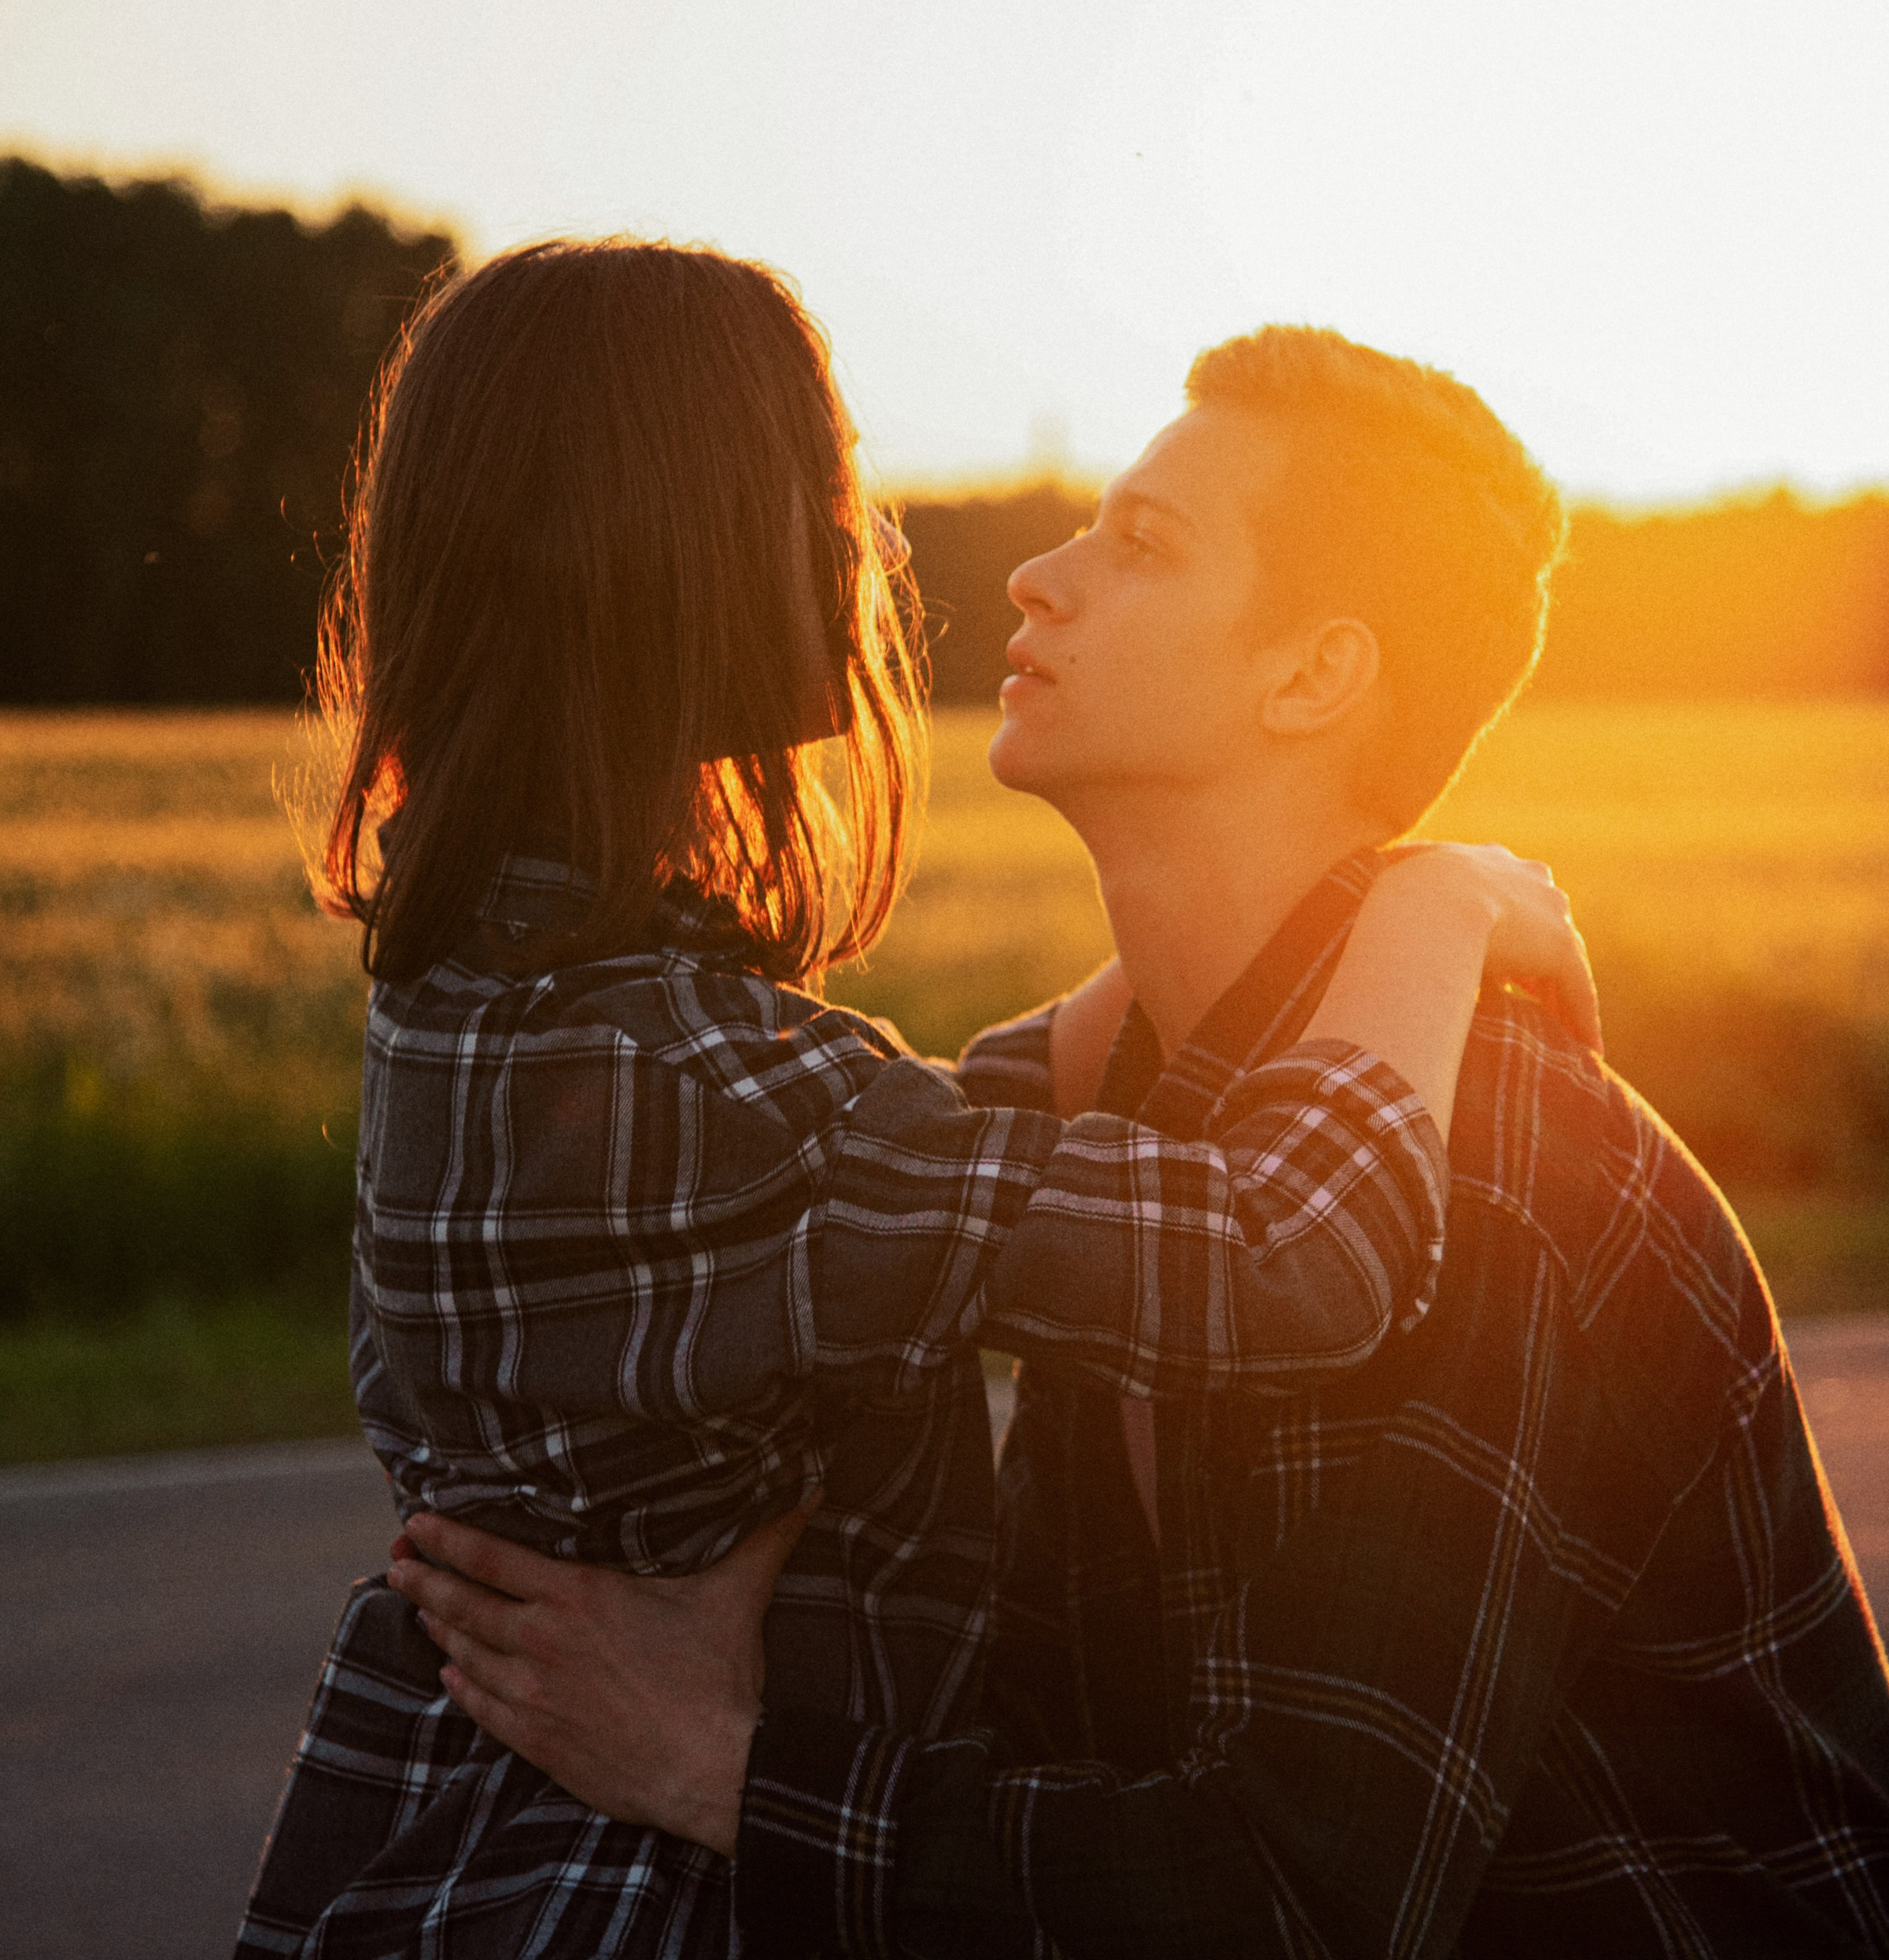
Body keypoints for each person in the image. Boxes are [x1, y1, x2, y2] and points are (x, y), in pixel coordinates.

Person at [390, 327, 1889, 1956]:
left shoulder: (1478, 1166)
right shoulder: (1141, 1153)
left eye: (1137, 545)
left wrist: (716, 1763)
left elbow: (1284, 1902)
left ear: (1312, 675)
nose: (1032, 577)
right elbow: (1065, 1736)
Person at [235, 249, 1599, 1958]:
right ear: (671, 546)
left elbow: (902, 1168)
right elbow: (1291, 1250)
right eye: (827, 491)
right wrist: (1433, 902)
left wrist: (1180, 987)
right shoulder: (724, 1095)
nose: (892, 551)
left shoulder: (504, 1004)